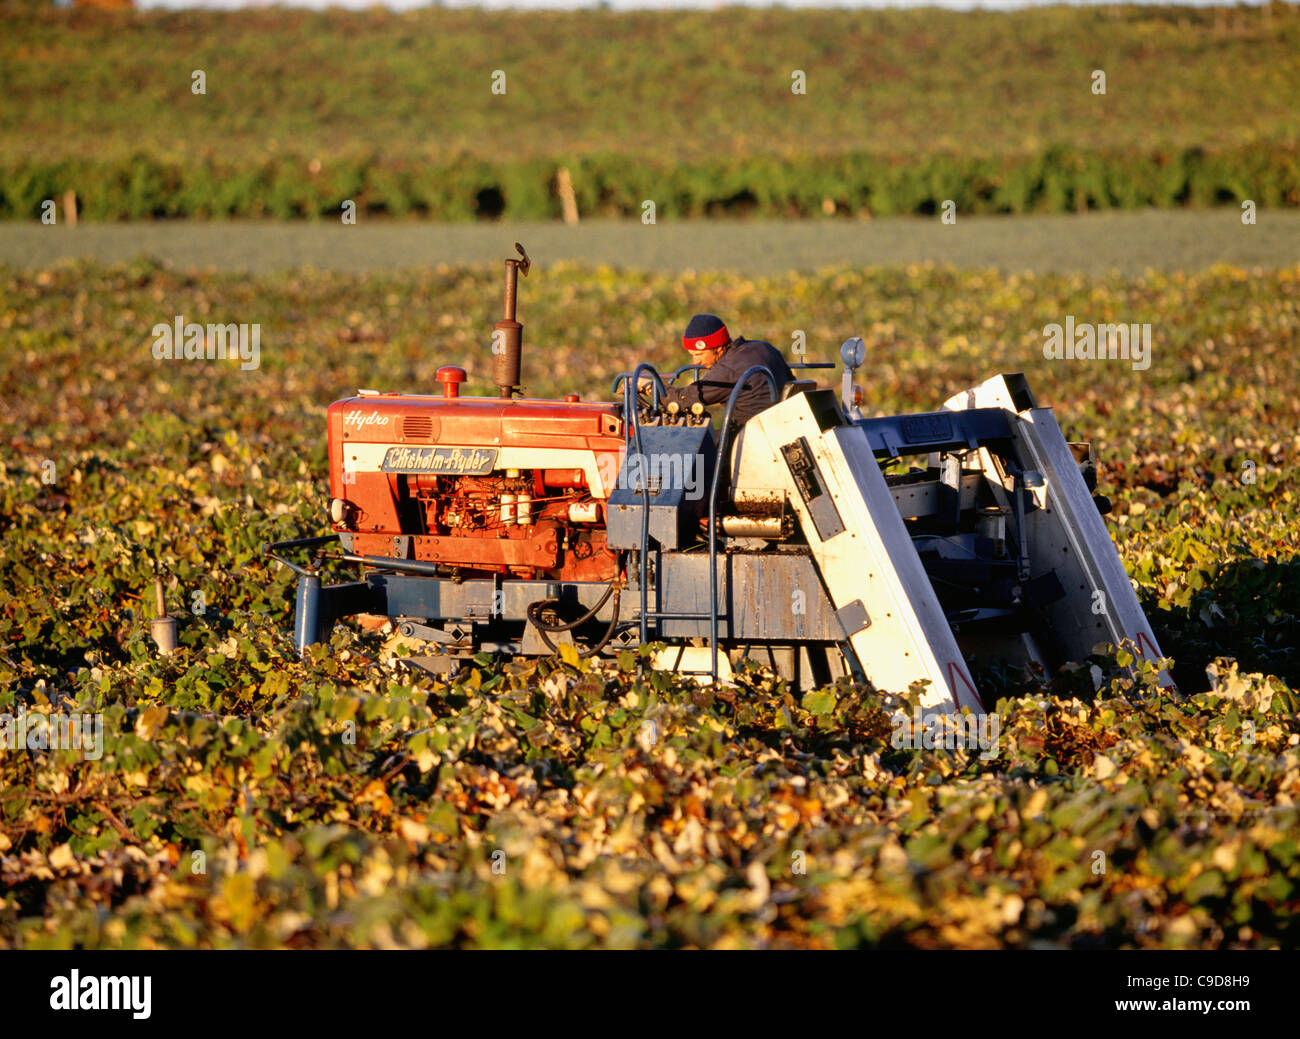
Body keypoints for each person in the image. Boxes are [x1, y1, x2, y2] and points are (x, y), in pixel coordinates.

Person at [646, 314, 794, 425]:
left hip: (750, 437)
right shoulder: (763, 347)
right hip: (782, 425)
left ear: (718, 347)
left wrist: (649, 387)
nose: (696, 362)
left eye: (699, 354)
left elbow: (681, 400)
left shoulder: (728, 369)